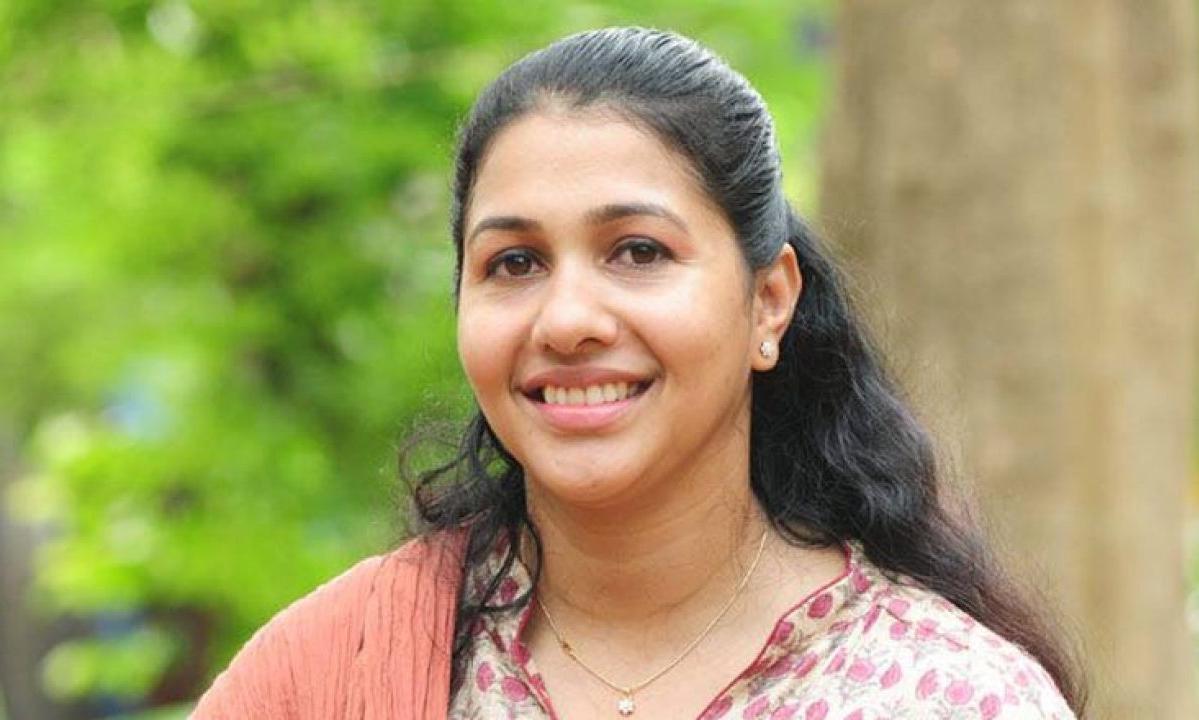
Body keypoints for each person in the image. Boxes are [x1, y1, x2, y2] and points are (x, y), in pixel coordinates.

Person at [193, 27, 1086, 719]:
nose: (567, 320)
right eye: (514, 263)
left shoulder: (939, 693)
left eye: (637, 251)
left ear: (768, 302)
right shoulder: (343, 673)